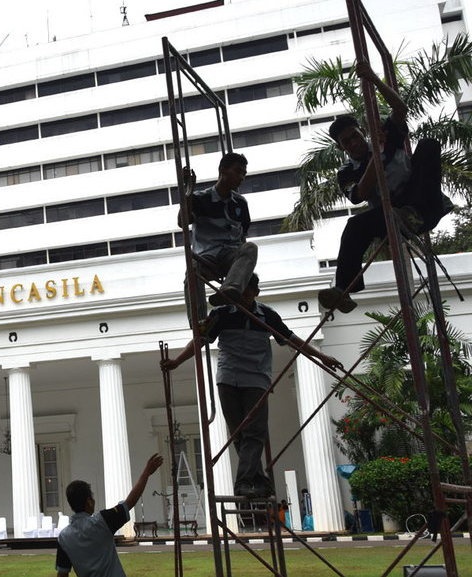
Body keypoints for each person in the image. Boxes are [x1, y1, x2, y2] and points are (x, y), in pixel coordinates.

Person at [161, 274, 344, 498]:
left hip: (256, 380)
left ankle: (244, 481)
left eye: (249, 291)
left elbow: (292, 339)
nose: (245, 295)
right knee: (239, 434)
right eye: (241, 291)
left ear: (256, 292)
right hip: (228, 379)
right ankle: (258, 479)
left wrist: (321, 357)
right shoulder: (221, 315)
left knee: (255, 433)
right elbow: (199, 341)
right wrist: (177, 361)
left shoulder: (267, 316)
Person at [318, 60, 451, 314]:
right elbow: (360, 194)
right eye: (347, 141)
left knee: (428, 145)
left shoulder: (384, 136)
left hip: (422, 202)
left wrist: (373, 78)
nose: (354, 143)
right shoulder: (347, 172)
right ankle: (344, 290)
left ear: (362, 132)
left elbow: (401, 108)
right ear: (341, 147)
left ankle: (416, 211)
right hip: (393, 213)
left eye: (355, 136)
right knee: (354, 225)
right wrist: (377, 157)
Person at [55, 453, 163, 577]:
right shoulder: (102, 521)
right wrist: (147, 472)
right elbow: (130, 501)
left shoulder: (64, 537)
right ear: (89, 502)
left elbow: (62, 573)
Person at [180, 152, 256, 307]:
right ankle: (200, 324)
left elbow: (243, 236)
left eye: (244, 174)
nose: (241, 177)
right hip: (207, 257)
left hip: (231, 257)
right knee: (192, 271)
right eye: (237, 171)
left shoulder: (240, 203)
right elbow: (183, 222)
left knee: (250, 248)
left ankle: (230, 290)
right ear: (222, 170)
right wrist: (187, 191)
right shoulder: (200, 198)